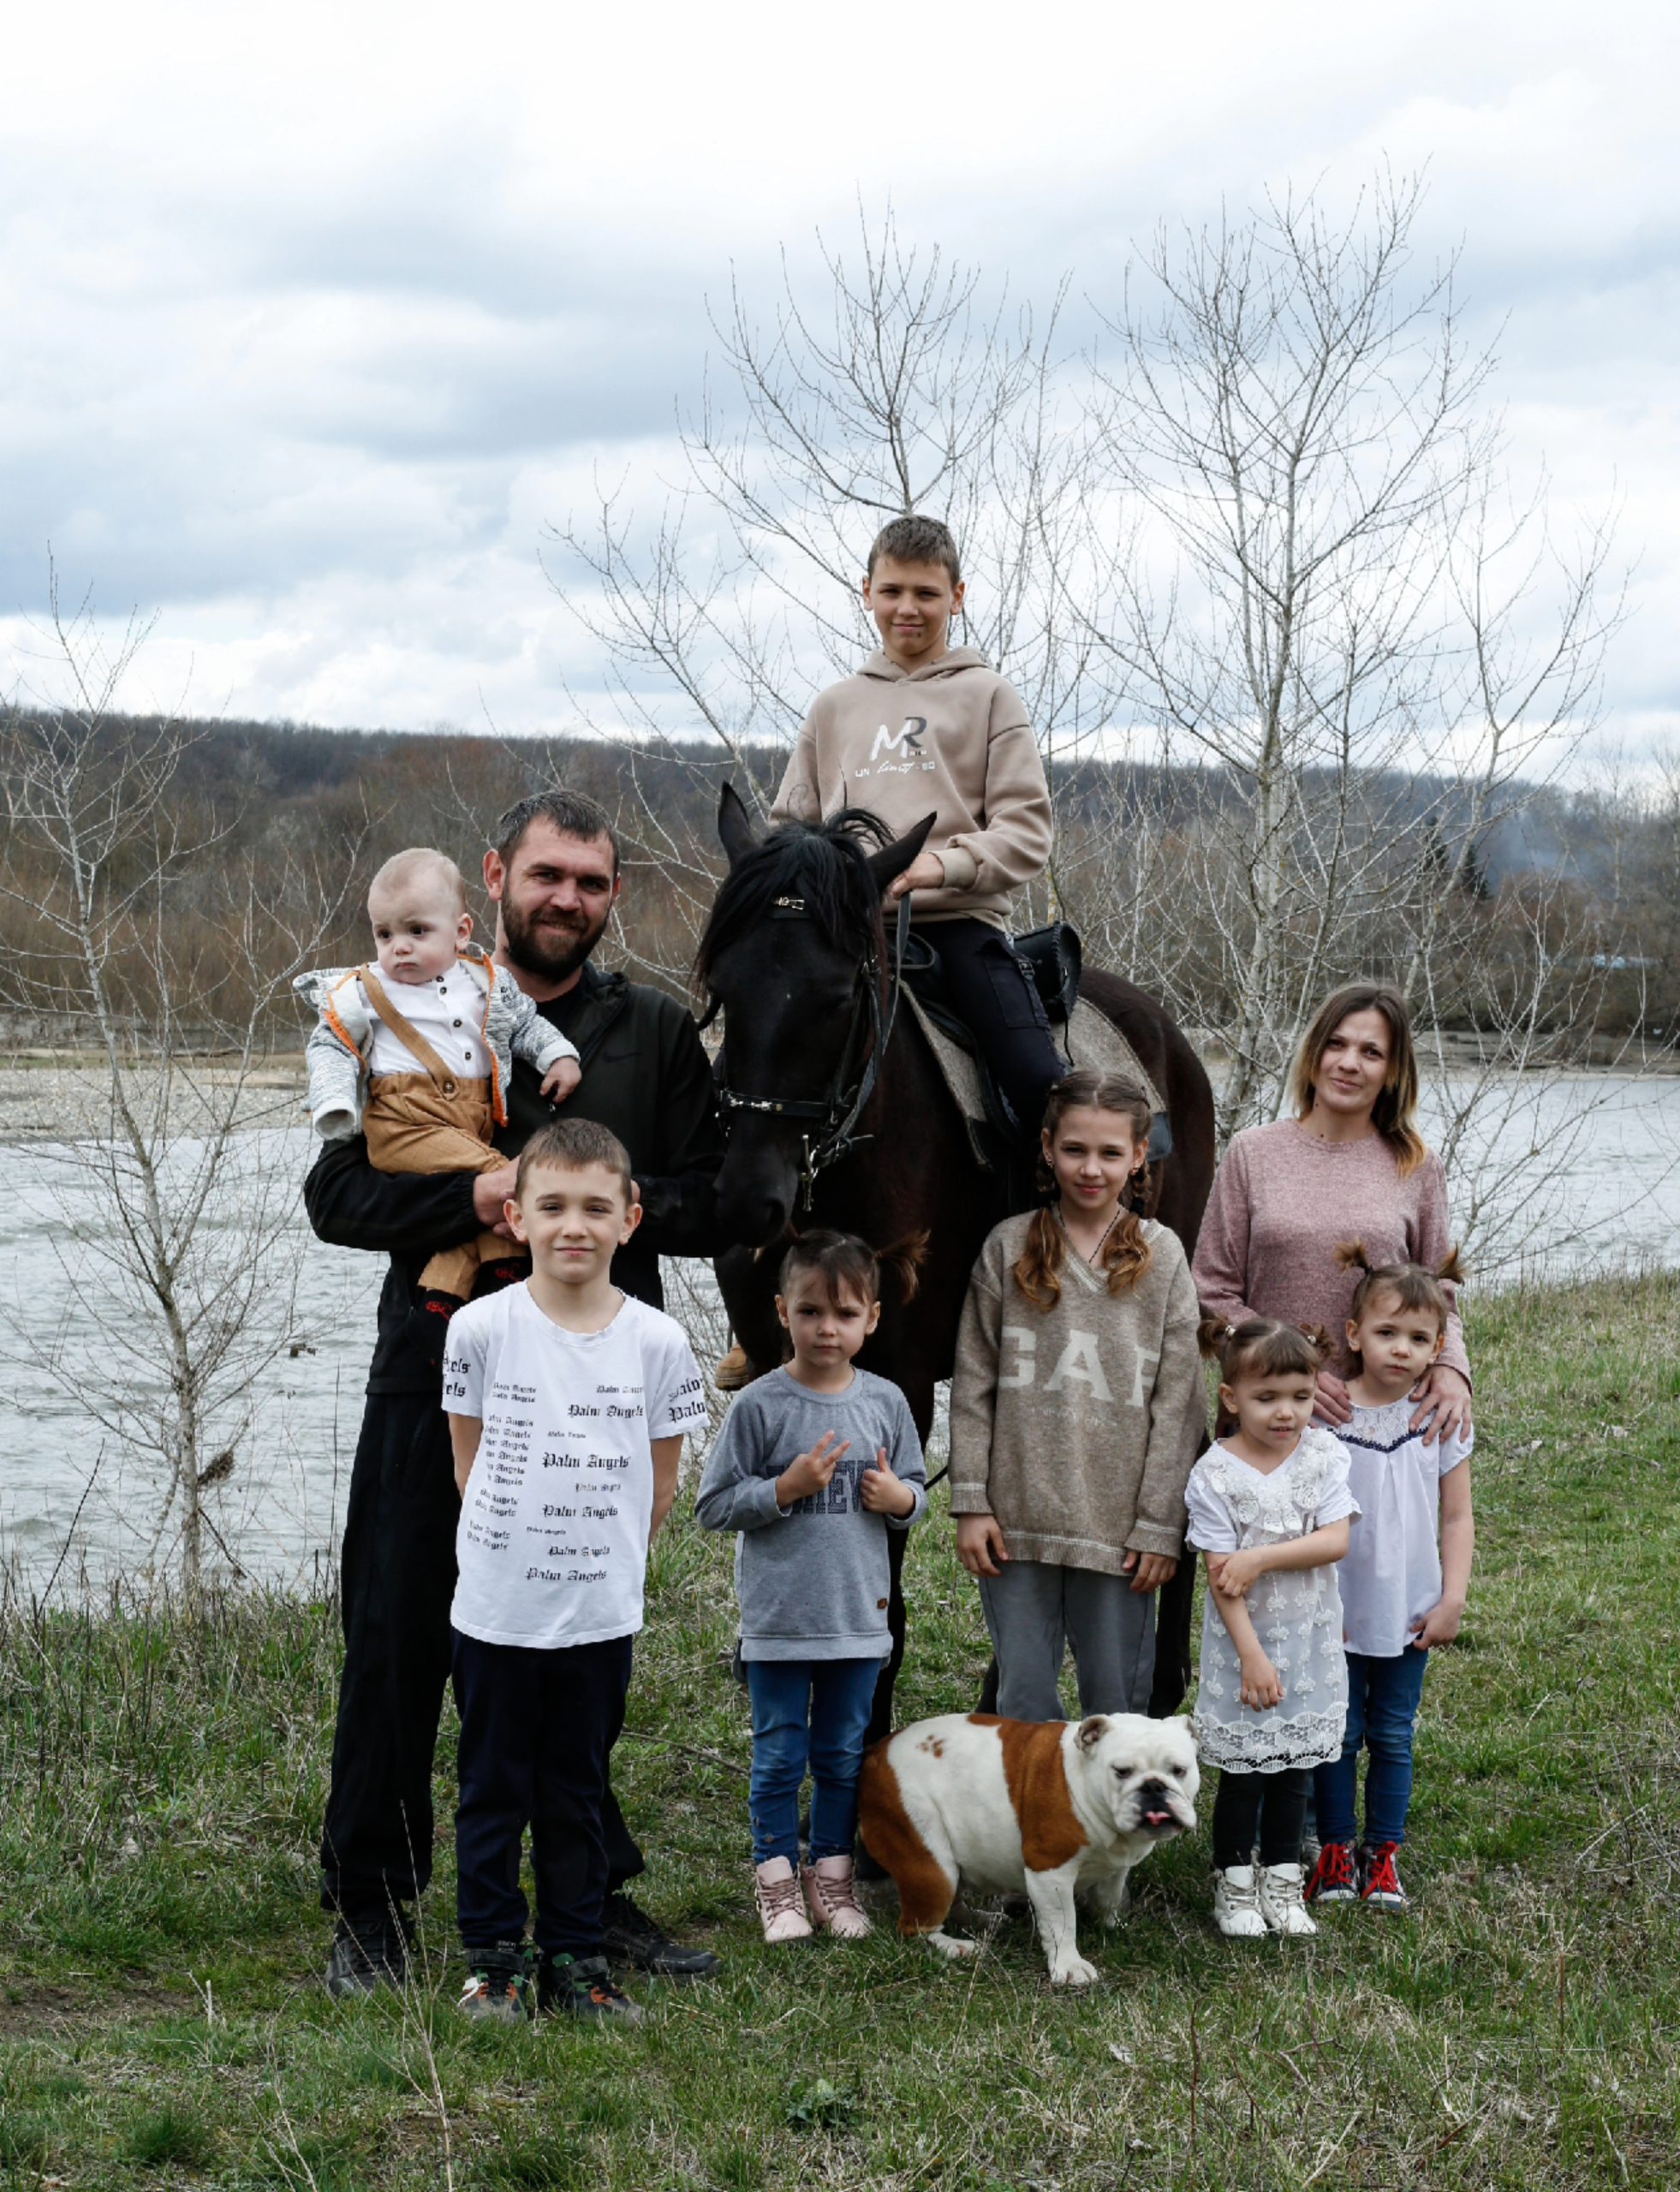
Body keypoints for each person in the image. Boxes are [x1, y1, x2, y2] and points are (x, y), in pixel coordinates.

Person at [305, 789, 725, 1998]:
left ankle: (586, 1897)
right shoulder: (398, 1005)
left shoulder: (644, 1030)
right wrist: (482, 1199)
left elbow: (714, 1195)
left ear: (613, 897)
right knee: (395, 1625)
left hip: (593, 1380)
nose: (567, 901)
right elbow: (336, 1202)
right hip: (436, 1358)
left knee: (574, 1639)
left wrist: (603, 1205)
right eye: (547, 876)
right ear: (495, 874)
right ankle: (374, 1904)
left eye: (591, 884)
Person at [444, 1120, 708, 2022]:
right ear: (516, 1216)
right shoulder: (480, 1329)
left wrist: (595, 1564)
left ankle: (575, 1957)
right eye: (552, 1206)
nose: (574, 1226)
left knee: (577, 1789)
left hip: (596, 1617)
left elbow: (659, 1484)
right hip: (495, 1614)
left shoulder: (660, 1343)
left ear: (630, 1219)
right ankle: (492, 1960)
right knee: (491, 1788)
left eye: (596, 1207)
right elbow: (466, 1464)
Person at [771, 512, 1063, 1145]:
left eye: (927, 593)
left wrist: (940, 866)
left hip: (959, 932)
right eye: (893, 591)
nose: (909, 608)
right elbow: (788, 828)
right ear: (867, 592)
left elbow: (1027, 830)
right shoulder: (834, 705)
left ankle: (1050, 1229)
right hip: (846, 932)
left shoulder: (989, 695)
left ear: (956, 597)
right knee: (745, 1077)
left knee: (1040, 1083)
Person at [946, 1070, 1204, 1720]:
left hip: (1120, 1532)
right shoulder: (1007, 1247)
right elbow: (973, 1386)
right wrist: (972, 1501)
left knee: (1117, 1706)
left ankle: (1112, 1825)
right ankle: (1034, 1822)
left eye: (1111, 1153)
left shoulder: (1163, 1257)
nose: (1091, 1169)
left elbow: (1179, 1407)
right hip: (1017, 1524)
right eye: (1075, 1150)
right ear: (1046, 1146)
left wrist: (1159, 1525)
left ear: (1139, 1155)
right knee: (1023, 1702)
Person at [696, 1232, 926, 1945]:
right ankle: (776, 1883)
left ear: (873, 1320)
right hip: (779, 1624)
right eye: (811, 1312)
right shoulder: (760, 1407)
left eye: (846, 1315)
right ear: (781, 1313)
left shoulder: (886, 1403)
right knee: (778, 1757)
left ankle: (833, 1882)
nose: (829, 1329)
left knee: (840, 1758)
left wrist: (899, 1500)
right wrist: (784, 1490)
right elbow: (713, 1506)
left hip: (859, 1620)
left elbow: (917, 1492)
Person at [297, 847, 581, 1321]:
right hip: (403, 1124)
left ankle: (442, 1295)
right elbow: (330, 1045)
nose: (399, 947)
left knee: (480, 1203)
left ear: (461, 933)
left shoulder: (485, 983)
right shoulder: (365, 992)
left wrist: (559, 1055)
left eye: (417, 931)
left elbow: (525, 1023)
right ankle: (514, 1270)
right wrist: (334, 1103)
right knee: (508, 1179)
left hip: (467, 1122)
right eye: (384, 934)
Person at [1192, 982, 1473, 1445]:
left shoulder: (1418, 1166)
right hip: (1270, 1419)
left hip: (1384, 1423)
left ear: (1393, 1071)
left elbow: (1440, 1295)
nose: (1348, 1063)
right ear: (1314, 1052)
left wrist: (1450, 1367)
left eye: (1371, 1052)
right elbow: (1211, 1289)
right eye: (1336, 1044)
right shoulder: (1252, 1153)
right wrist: (1292, 1369)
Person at [1307, 1245, 1474, 1913]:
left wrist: (1452, 1598)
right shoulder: (1325, 1415)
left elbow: (1457, 1517)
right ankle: (1335, 1852)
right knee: (1338, 1732)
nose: (1400, 1350)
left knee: (1394, 1733)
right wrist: (1317, 1600)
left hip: (1410, 1610)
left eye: (1417, 1338)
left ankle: (1384, 1855)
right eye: (1385, 1333)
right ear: (1354, 1335)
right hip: (1338, 1608)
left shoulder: (1440, 1419)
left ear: (1438, 1346)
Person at [1185, 1318, 1357, 1940]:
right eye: (1267, 1399)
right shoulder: (1214, 1474)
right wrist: (1252, 1657)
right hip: (1245, 1648)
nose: (1287, 1413)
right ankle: (1234, 1886)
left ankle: (1284, 1886)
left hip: (1309, 1639)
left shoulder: (1323, 1455)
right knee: (1246, 1775)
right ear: (1231, 1397)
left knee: (1294, 1772)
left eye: (1301, 1397)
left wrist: (1259, 1557)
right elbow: (1220, 1579)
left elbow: (1334, 1539)